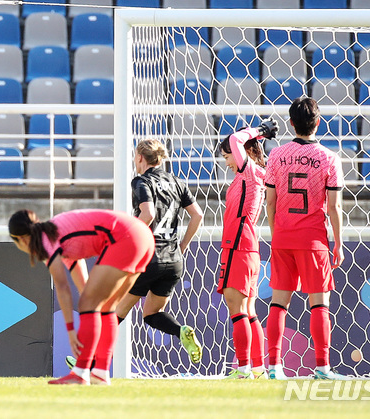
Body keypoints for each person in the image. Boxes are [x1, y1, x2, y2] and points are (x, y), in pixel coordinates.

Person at [9, 209, 155, 385]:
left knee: (90, 304)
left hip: (125, 237)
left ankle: (80, 372)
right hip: (144, 237)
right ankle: (100, 373)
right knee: (105, 307)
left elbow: (62, 287)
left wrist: (71, 330)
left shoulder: (45, 239)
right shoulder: (65, 241)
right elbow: (84, 289)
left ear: (22, 239)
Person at [264, 97, 345, 380]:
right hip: (314, 241)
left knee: (278, 303)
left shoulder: (275, 155)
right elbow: (334, 207)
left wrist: (277, 235)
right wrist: (339, 243)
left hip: (283, 237)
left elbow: (270, 202)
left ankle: (274, 367)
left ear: (291, 123)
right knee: (319, 304)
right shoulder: (330, 158)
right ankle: (322, 368)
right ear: (318, 123)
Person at [114, 139, 204, 364]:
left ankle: (86, 360)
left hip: (149, 257)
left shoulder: (141, 181)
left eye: (136, 156)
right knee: (152, 314)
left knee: (115, 311)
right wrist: (181, 247)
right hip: (173, 260)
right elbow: (198, 215)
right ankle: (181, 331)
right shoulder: (176, 181)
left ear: (141, 158)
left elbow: (148, 214)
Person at [216, 120, 278, 379]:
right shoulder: (254, 174)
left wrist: (259, 131)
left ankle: (242, 369)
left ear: (246, 151)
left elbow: (234, 139)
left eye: (227, 157)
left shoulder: (250, 172)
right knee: (249, 310)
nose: (228, 162)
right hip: (247, 245)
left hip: (238, 245)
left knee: (237, 307)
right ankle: (256, 368)